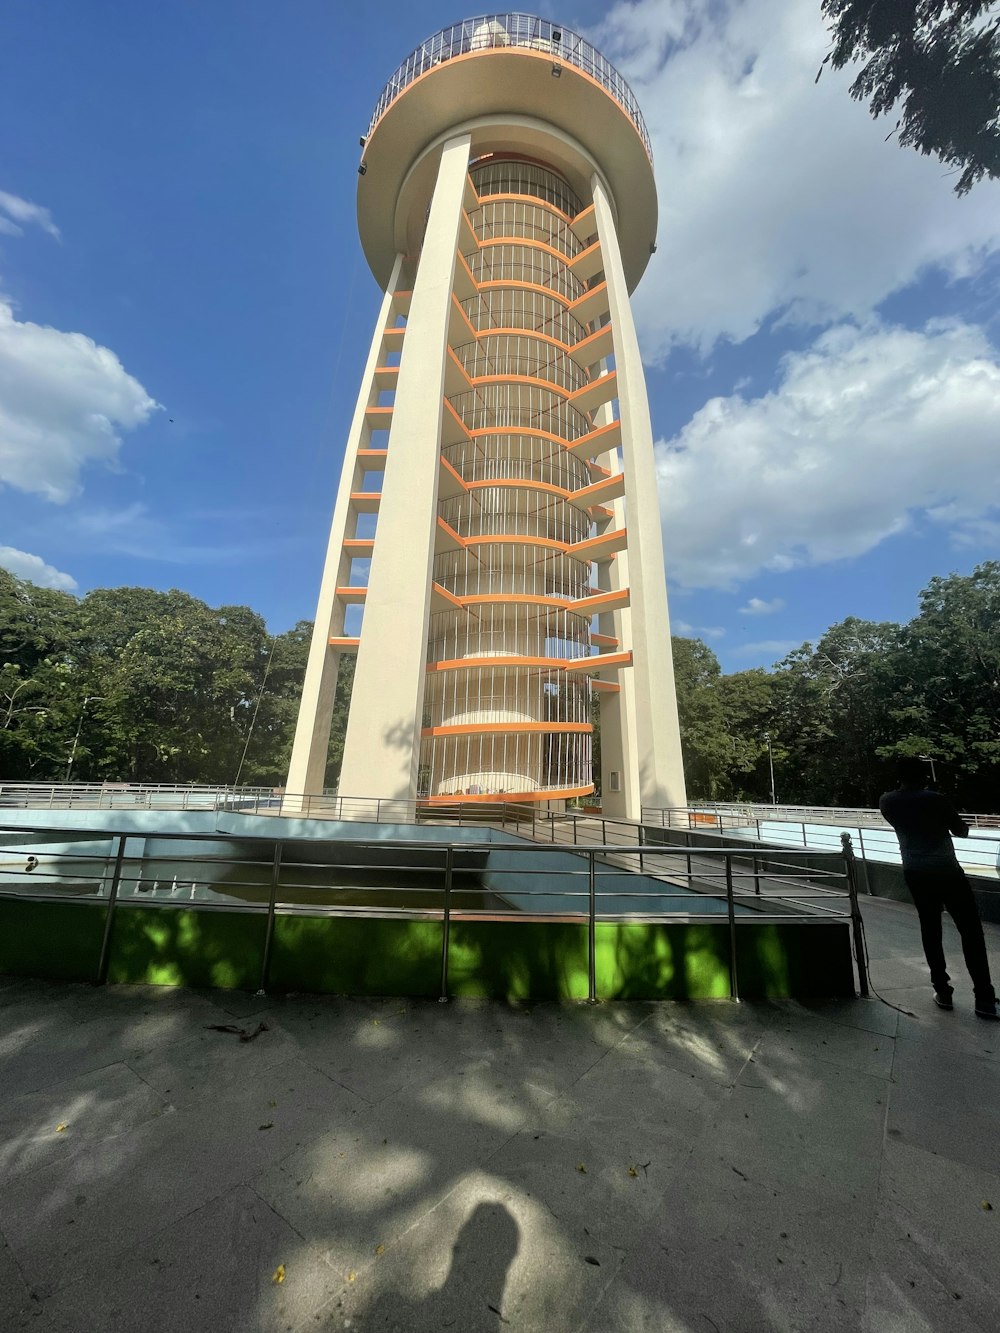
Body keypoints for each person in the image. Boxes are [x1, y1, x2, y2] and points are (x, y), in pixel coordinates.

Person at [880, 757, 998, 1020]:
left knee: (930, 929)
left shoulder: (887, 801)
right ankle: (985, 998)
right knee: (971, 932)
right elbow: (961, 831)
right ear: (924, 777)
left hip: (915, 872)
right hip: (947, 872)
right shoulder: (935, 800)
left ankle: (942, 990)